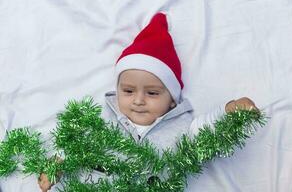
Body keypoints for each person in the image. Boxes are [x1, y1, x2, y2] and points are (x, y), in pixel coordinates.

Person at [38, 12, 258, 192]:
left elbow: (206, 132)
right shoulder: (104, 119)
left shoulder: (180, 127)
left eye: (152, 93)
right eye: (128, 91)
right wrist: (54, 167)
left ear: (172, 100)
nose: (139, 100)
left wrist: (230, 111)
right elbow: (73, 144)